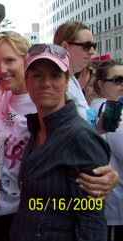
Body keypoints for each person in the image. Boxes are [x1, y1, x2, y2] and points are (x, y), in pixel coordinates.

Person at [0, 32, 116, 241]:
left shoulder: (74, 128)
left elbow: (91, 215)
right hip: (13, 224)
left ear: (67, 83)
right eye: (37, 75)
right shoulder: (26, 114)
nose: (45, 83)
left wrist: (108, 175)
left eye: (55, 76)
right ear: (29, 80)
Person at [54, 20, 119, 204]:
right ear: (65, 46)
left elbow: (79, 129)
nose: (92, 51)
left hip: (89, 181)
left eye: (93, 46)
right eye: (86, 46)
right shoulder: (58, 84)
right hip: (75, 186)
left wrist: (98, 128)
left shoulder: (73, 82)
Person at [0, 32, 37, 241]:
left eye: (9, 61)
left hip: (25, 216)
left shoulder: (42, 103)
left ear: (27, 60)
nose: (2, 70)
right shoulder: (3, 97)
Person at [90, 59, 123, 240]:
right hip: (114, 210)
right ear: (101, 83)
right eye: (117, 80)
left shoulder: (95, 107)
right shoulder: (112, 111)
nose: (122, 85)